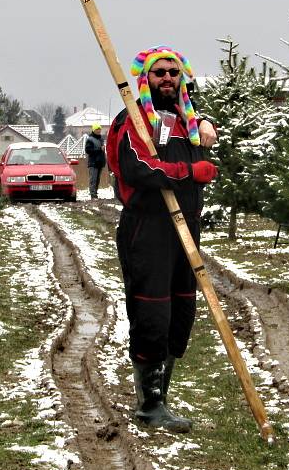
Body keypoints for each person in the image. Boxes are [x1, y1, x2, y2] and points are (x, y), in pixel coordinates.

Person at [106, 45, 217, 433]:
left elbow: (199, 144)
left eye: (174, 72)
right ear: (145, 79)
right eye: (159, 73)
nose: (167, 78)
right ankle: (149, 405)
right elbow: (139, 169)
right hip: (148, 230)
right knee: (152, 313)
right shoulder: (133, 119)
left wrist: (201, 121)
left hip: (185, 230)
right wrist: (190, 172)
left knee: (180, 315)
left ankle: (163, 398)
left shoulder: (187, 120)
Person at [84, 122, 106, 199]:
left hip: (100, 162)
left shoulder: (101, 139)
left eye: (99, 129)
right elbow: (88, 150)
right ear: (93, 130)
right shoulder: (90, 140)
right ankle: (92, 194)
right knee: (93, 179)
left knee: (97, 179)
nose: (99, 130)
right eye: (97, 129)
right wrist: (99, 149)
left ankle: (95, 193)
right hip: (93, 162)